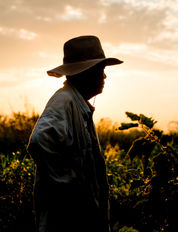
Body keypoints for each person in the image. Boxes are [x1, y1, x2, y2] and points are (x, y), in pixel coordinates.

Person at [28, 35, 123, 232]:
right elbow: (40, 140)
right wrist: (70, 186)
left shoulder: (76, 104)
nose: (104, 77)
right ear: (86, 73)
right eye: (101, 70)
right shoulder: (64, 101)